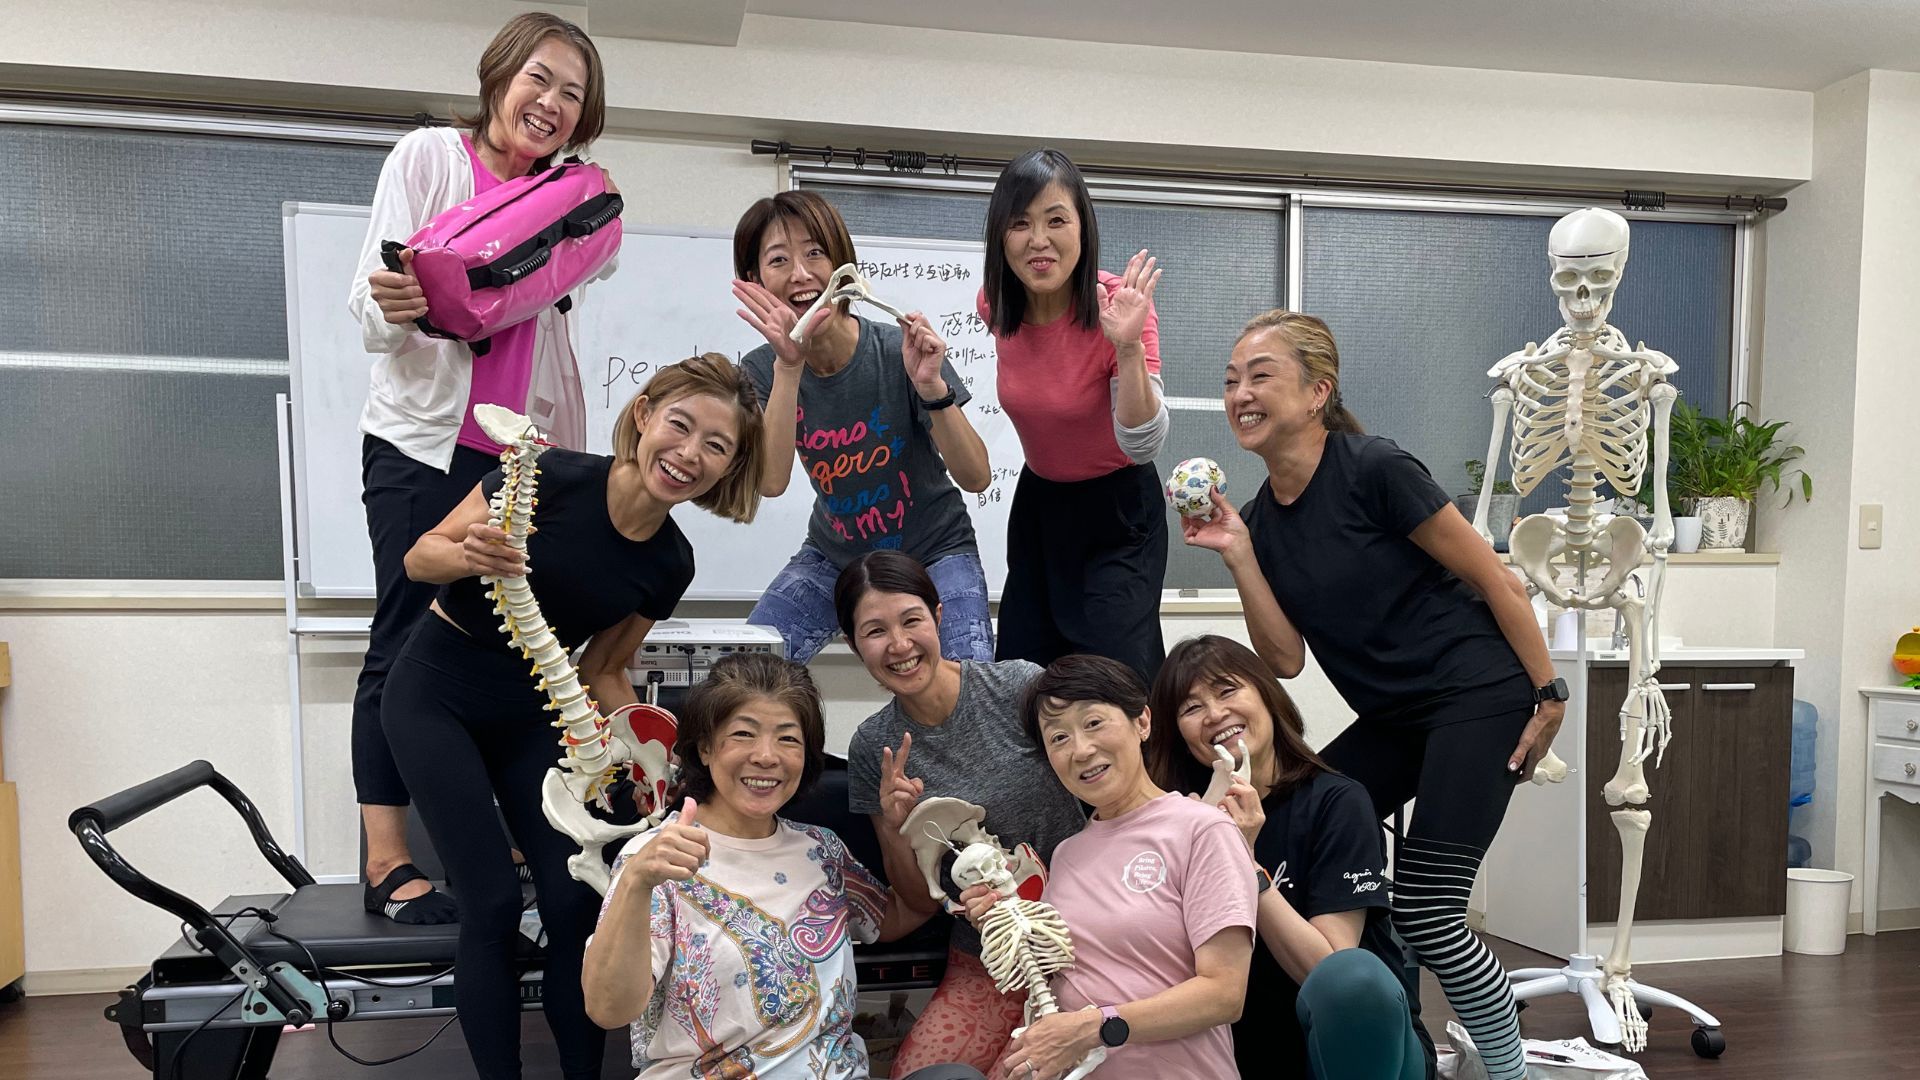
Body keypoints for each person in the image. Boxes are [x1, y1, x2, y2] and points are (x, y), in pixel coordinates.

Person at [1183, 310, 1567, 1080]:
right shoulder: (1260, 521)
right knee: (1285, 808)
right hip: (1396, 718)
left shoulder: (1374, 469)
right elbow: (1285, 660)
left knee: (1429, 906)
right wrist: (1240, 555)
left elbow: (1495, 578)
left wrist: (1549, 692)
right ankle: (1373, 1019)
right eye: (1230, 381)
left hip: (1478, 693)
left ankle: (1509, 1070)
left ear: (1317, 392)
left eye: (1260, 375)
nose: (1240, 394)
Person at [382, 354, 765, 1080]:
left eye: (716, 445)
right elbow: (419, 559)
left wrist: (660, 756)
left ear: (729, 467)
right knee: (493, 902)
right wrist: (470, 554)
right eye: (680, 425)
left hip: (535, 714)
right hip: (436, 693)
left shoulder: (671, 561)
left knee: (573, 902)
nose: (689, 454)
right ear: (644, 414)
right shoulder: (552, 477)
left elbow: (605, 669)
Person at [347, 10, 614, 925]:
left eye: (572, 94)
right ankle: (386, 859)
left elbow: (570, 290)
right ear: (499, 76)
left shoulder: (573, 199)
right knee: (402, 640)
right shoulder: (429, 157)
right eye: (538, 78)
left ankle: (491, 834)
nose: (551, 102)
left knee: (502, 647)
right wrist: (393, 303)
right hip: (422, 442)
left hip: (520, 456)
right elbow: (369, 306)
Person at [583, 653, 988, 1080]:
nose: (766, 756)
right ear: (705, 748)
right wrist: (636, 883)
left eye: (788, 739)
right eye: (743, 734)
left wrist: (896, 828)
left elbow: (902, 914)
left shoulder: (821, 849)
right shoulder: (657, 858)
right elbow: (607, 1009)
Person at [837, 551, 1086, 1077]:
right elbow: (916, 899)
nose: (899, 645)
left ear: (938, 617)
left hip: (1083, 939)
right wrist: (897, 826)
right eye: (876, 631)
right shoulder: (873, 745)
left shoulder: (1018, 687)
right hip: (984, 960)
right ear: (855, 645)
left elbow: (1102, 781)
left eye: (911, 620)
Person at [1147, 634, 1437, 1080]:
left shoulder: (1337, 802)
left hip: (1356, 1048)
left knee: (1352, 976)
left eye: (1227, 690)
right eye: (1191, 708)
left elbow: (1329, 968)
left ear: (1267, 695)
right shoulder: (1179, 821)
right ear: (1179, 736)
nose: (1215, 714)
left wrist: (1241, 859)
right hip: (1241, 1051)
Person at [958, 654, 1255, 1080]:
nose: (1081, 750)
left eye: (1094, 723)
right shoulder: (1067, 854)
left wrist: (1093, 1028)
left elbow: (1224, 993)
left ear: (1142, 722)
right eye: (1058, 738)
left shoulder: (1203, 830)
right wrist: (1000, 920)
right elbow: (1067, 984)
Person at [732, 190, 994, 664]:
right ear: (755, 280)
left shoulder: (897, 350)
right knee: (746, 669)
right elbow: (770, 482)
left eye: (815, 252)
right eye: (779, 260)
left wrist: (932, 387)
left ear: (842, 266)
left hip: (935, 549)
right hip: (835, 556)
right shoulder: (759, 369)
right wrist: (789, 366)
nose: (801, 273)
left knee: (966, 684)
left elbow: (977, 477)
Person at [978, 149, 1170, 685]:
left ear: (1083, 227)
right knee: (1021, 673)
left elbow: (1143, 443)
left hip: (1118, 510)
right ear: (1000, 236)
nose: (1038, 240)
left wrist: (1127, 348)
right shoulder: (996, 305)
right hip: (1040, 505)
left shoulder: (1120, 308)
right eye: (1020, 223)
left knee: (1114, 679)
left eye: (1056, 220)